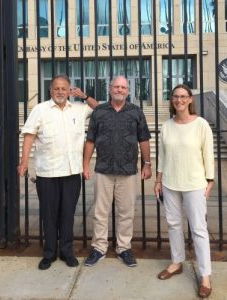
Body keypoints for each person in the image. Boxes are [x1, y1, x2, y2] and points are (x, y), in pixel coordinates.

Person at [17, 75, 98, 270]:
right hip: (47, 173)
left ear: (69, 90)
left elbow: (101, 109)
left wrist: (84, 96)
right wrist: (23, 162)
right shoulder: (40, 110)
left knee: (68, 214)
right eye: (56, 88)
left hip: (71, 172)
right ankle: (49, 253)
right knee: (49, 214)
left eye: (64, 88)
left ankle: (67, 252)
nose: (60, 91)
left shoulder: (79, 109)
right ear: (50, 90)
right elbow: (29, 136)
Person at [83, 76, 152, 267]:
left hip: (128, 170)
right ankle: (99, 248)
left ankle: (123, 248)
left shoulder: (136, 112)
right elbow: (90, 140)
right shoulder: (99, 111)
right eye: (116, 86)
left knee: (126, 212)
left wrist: (147, 164)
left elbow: (144, 139)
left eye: (123, 87)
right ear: (110, 89)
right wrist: (85, 165)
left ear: (128, 91)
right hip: (104, 169)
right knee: (100, 211)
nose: (119, 89)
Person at [154, 84, 214, 298]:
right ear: (172, 100)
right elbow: (162, 156)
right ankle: (176, 262)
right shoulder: (167, 125)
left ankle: (205, 275)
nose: (179, 100)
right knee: (173, 224)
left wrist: (210, 180)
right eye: (175, 96)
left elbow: (208, 154)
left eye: (183, 96)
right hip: (170, 182)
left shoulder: (201, 124)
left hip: (195, 183)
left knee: (198, 229)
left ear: (190, 99)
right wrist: (158, 180)